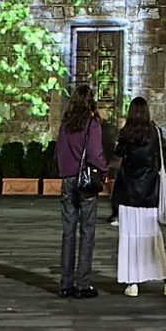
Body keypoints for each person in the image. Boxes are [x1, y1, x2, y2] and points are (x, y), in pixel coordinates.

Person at [109, 95, 166, 298]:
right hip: (149, 194)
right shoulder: (155, 133)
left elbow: (117, 151)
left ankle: (132, 283)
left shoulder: (127, 133)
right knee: (153, 240)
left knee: (129, 239)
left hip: (128, 195)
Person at [56, 83, 109, 299]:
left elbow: (58, 149)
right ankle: (82, 284)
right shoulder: (92, 124)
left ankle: (65, 284)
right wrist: (104, 169)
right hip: (86, 181)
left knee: (68, 232)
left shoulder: (65, 124)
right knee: (87, 232)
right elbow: (95, 154)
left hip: (67, 179)